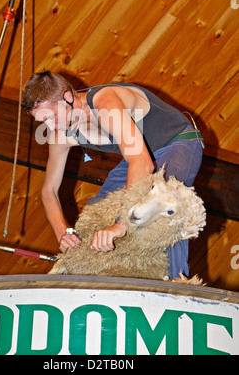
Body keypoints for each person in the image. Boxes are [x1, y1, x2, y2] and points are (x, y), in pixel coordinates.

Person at [21, 70, 203, 278]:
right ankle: (90, 280)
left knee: (164, 206)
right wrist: (63, 232)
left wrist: (121, 224)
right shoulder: (62, 134)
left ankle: (176, 285)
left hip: (176, 143)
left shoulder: (106, 103)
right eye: (43, 122)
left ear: (68, 98)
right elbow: (49, 190)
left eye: (52, 117)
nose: (51, 127)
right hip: (136, 155)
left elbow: (142, 163)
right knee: (95, 216)